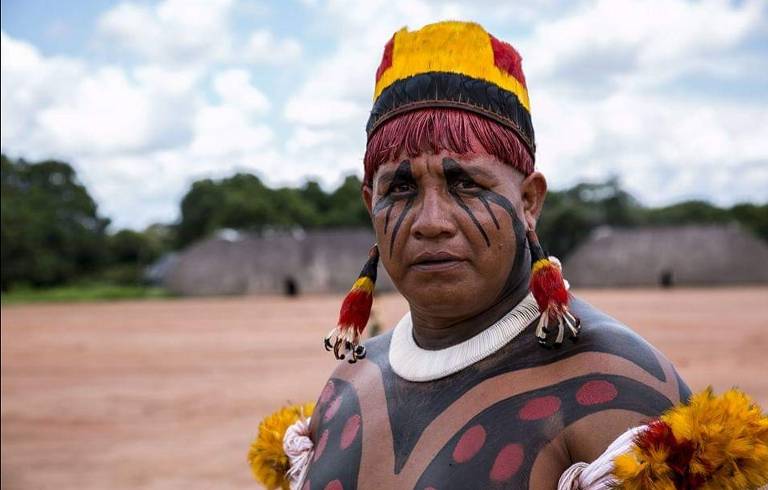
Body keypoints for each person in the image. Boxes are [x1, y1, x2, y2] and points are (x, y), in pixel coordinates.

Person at [249, 21, 768, 490]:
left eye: (465, 183)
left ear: (529, 202)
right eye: (400, 188)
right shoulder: (346, 389)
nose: (432, 221)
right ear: (371, 204)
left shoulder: (612, 390)